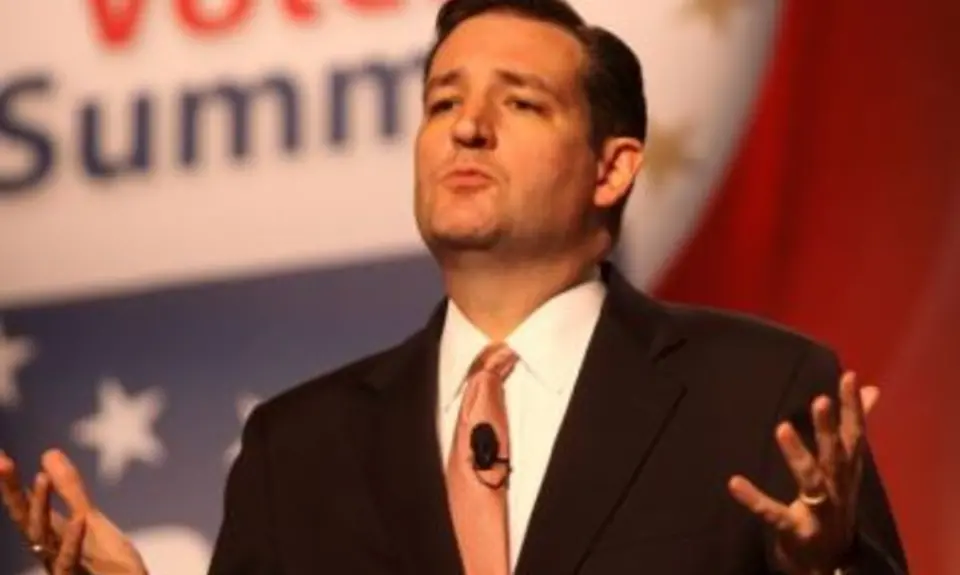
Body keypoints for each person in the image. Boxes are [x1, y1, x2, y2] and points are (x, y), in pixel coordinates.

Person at [1, 0, 910, 573]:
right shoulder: (297, 448)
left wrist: (826, 568)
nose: (466, 127)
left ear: (612, 168)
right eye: (443, 101)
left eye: (519, 102)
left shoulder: (760, 392)